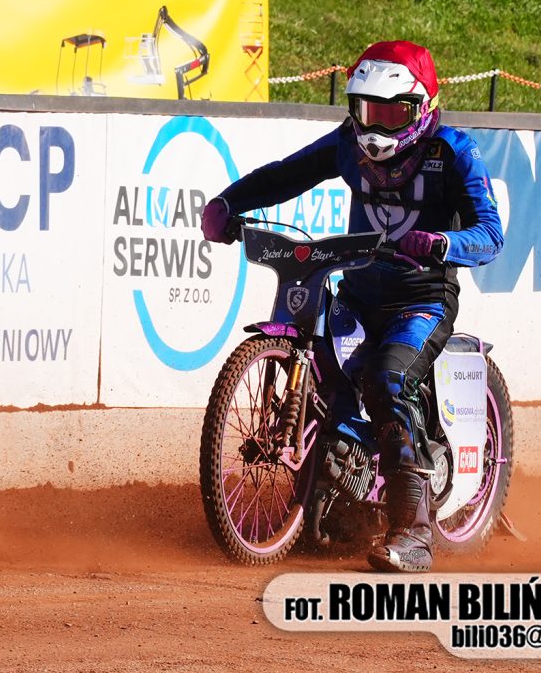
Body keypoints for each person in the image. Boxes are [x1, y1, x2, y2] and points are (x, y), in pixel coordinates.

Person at [200, 40, 502, 573]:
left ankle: (413, 533)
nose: (376, 127)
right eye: (367, 110)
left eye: (391, 114)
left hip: (423, 301)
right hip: (359, 295)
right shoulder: (347, 144)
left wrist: (441, 244)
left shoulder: (454, 152)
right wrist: (229, 203)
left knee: (387, 380)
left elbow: (491, 234)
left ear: (422, 108)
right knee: (327, 370)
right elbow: (286, 174)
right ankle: (330, 497)